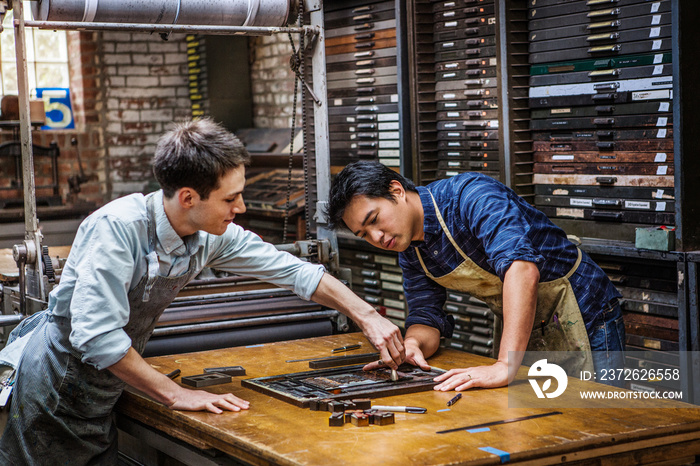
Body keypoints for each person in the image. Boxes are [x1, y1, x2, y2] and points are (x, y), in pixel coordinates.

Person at [0, 120, 404, 464]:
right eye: (231, 198)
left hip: (105, 391)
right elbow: (96, 336)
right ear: (189, 198)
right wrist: (176, 395)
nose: (241, 207)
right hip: (55, 391)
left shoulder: (210, 235)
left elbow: (294, 271)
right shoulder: (117, 229)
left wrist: (366, 315)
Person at [326, 161, 625, 392]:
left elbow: (521, 268)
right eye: (364, 234)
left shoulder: (470, 195)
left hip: (586, 315)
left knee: (600, 420)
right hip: (526, 328)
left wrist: (505, 365)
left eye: (374, 220)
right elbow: (426, 316)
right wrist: (413, 344)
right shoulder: (410, 250)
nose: (376, 237)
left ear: (396, 191)